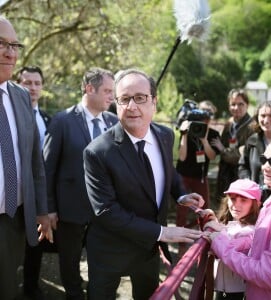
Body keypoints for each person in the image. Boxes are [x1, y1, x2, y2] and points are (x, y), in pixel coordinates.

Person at [83, 68, 205, 300]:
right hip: (110, 249)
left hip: (148, 250)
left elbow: (168, 170)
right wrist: (163, 232)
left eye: (140, 98)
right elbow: (106, 211)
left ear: (154, 103)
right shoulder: (97, 152)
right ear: (116, 104)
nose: (132, 106)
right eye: (124, 99)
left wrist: (180, 194)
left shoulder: (165, 135)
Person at [43, 67, 118, 299]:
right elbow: (48, 167)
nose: (112, 97)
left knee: (102, 259)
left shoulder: (114, 122)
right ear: (89, 88)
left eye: (112, 91)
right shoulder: (62, 120)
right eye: (107, 91)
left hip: (105, 210)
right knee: (70, 260)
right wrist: (49, 208)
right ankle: (74, 295)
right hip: (70, 209)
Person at [204, 134, 271, 300]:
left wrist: (221, 243)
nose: (265, 167)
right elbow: (258, 247)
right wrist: (225, 233)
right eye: (264, 159)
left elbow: (266, 274)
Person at [0, 16, 52, 299]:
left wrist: (42, 210)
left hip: (13, 219)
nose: (10, 52)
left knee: (8, 288)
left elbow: (35, 161)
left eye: (15, 45)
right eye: (1, 44)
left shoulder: (20, 96)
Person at [17, 65, 55, 300]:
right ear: (17, 84)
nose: (32, 88)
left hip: (39, 194)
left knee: (35, 244)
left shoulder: (49, 120)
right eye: (27, 82)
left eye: (37, 83)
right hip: (13, 190)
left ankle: (31, 287)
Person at [204, 179, 261, 300]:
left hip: (238, 293)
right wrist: (215, 223)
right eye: (233, 199)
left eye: (244, 200)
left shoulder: (251, 231)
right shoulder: (235, 224)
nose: (236, 204)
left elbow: (226, 246)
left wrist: (216, 228)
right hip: (224, 289)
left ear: (255, 204)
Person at [175, 100, 220, 256]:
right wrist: (185, 135)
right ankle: (181, 243)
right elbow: (181, 157)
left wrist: (204, 140)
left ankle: (204, 240)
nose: (203, 122)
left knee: (204, 208)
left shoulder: (213, 134)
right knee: (181, 210)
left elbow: (212, 156)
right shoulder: (186, 131)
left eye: (208, 118)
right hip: (183, 175)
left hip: (200, 176)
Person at [238, 100, 271, 203]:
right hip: (256, 200)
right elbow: (243, 166)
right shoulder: (252, 141)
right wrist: (250, 184)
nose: (266, 120)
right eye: (262, 115)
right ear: (257, 118)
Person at [211, 89, 254, 206]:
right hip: (225, 175)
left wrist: (223, 150)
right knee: (223, 210)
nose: (236, 107)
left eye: (241, 104)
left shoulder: (253, 126)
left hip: (241, 175)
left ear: (247, 105)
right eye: (233, 104)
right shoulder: (229, 123)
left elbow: (243, 154)